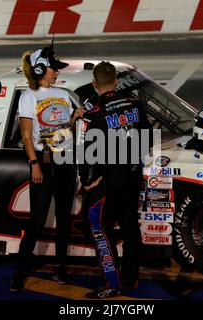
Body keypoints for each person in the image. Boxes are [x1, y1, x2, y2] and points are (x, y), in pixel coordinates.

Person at [78, 61, 151, 299]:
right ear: (117, 82)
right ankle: (131, 278)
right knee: (130, 227)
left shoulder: (95, 115)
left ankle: (112, 282)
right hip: (132, 175)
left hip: (109, 181)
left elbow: (87, 154)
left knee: (99, 227)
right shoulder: (134, 104)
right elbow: (148, 137)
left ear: (94, 84)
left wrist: (87, 181)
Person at [10, 46, 80, 292]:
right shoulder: (28, 96)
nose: (56, 73)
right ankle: (20, 271)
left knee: (63, 219)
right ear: (41, 69)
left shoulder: (62, 93)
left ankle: (60, 268)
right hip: (44, 161)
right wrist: (34, 164)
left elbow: (66, 125)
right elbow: (27, 137)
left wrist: (75, 117)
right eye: (53, 69)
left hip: (66, 161)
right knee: (37, 221)